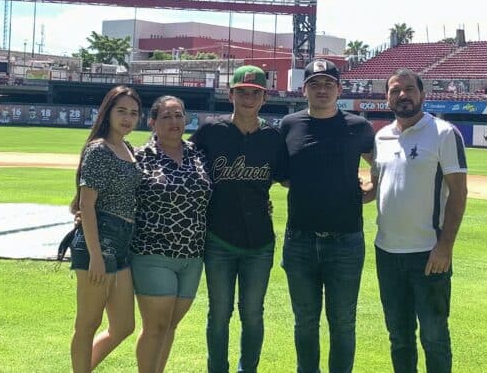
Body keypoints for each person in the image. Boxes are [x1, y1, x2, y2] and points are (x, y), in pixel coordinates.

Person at [191, 65, 289, 373]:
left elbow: (288, 179)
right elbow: (180, 163)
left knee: (252, 314)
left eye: (255, 93)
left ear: (264, 98)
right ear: (230, 94)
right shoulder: (210, 132)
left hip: (259, 242)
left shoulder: (273, 138)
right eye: (242, 92)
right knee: (219, 313)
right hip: (218, 238)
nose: (248, 98)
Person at [279, 59, 375, 373]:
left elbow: (382, 165)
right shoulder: (290, 124)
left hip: (346, 240)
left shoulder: (358, 126)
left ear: (339, 89)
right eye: (315, 84)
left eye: (328, 84)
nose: (322, 90)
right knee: (305, 322)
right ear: (303, 88)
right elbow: (283, 174)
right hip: (300, 240)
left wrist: (372, 190)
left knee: (343, 323)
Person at [370, 69, 468, 373]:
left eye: (410, 89)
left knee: (434, 336)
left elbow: (458, 193)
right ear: (387, 97)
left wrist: (445, 246)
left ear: (422, 95)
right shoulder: (381, 136)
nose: (403, 95)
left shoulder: (443, 133)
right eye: (395, 90)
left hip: (429, 253)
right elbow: (376, 188)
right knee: (399, 337)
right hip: (386, 252)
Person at [130, 95, 213, 373]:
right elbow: (115, 193)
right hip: (152, 252)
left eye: (178, 115)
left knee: (170, 326)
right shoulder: (139, 157)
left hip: (192, 255)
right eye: (166, 116)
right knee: (156, 325)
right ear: (152, 122)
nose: (174, 122)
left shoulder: (199, 155)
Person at [65, 85, 143, 373]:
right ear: (108, 112)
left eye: (133, 113)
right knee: (87, 323)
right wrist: (96, 256)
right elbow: (86, 206)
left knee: (123, 325)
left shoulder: (128, 148)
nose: (127, 118)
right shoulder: (99, 150)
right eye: (121, 111)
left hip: (123, 242)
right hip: (99, 240)